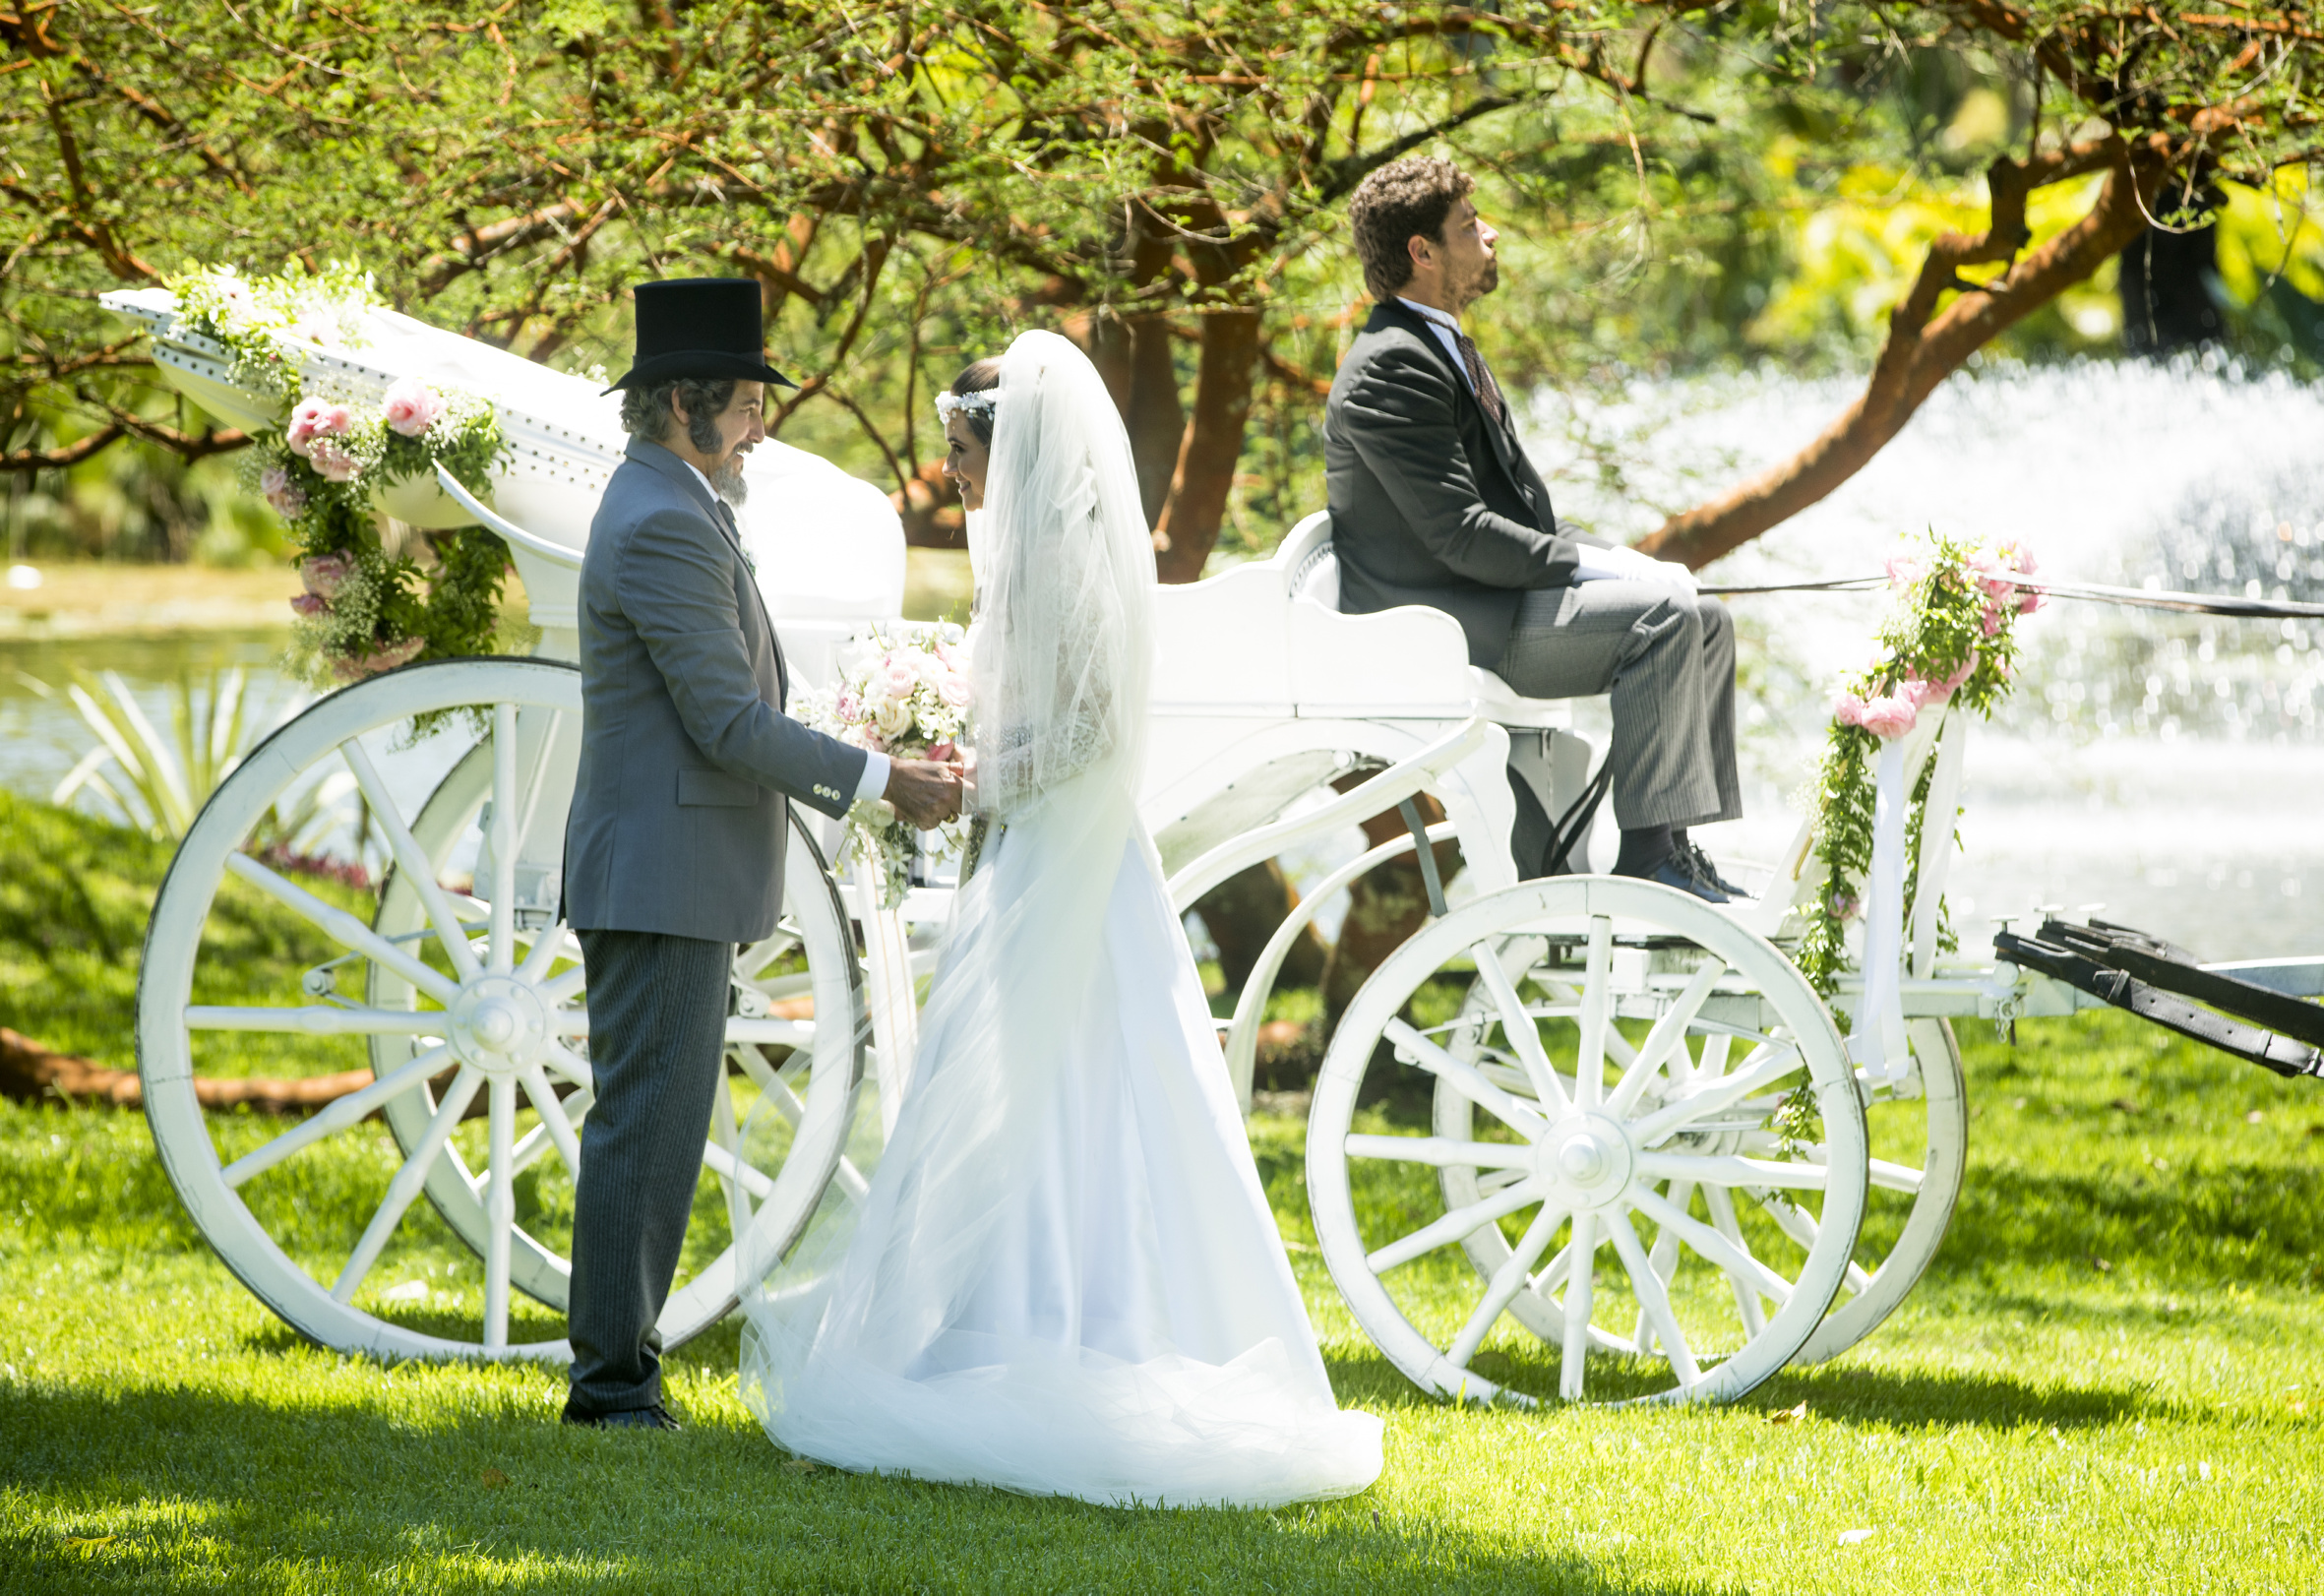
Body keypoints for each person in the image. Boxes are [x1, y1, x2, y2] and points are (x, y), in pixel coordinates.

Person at [736, 331, 1383, 1506]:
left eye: (962, 451)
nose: (952, 473)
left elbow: (1087, 736)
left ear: (1013, 446)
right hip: (1029, 853)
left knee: (1088, 1084)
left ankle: (1079, 1329)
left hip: (1066, 857)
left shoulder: (1066, 561)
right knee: (1000, 1084)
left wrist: (971, 776)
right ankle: (975, 1318)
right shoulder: (1025, 552)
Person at [560, 277, 962, 1430]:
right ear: (684, 402)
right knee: (646, 1128)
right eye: (744, 404)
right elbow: (728, 722)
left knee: (657, 1123)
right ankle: (610, 1386)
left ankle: (618, 1371)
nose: (758, 426)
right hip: (660, 871)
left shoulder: (676, 501)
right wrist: (888, 780)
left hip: (673, 867)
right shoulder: (662, 520)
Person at [1325, 157, 1743, 901]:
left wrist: (1617, 557)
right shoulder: (1393, 365)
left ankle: (1676, 843)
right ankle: (1648, 857)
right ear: (1422, 253)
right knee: (1665, 620)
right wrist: (1599, 575)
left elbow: (1519, 515)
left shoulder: (1440, 348)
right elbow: (1462, 535)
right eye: (1467, 227)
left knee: (1705, 619)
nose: (1490, 234)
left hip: (1488, 601)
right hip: (1447, 623)